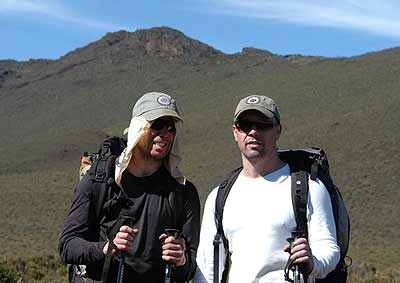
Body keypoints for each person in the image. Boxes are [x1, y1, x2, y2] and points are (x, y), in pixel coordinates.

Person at [193, 95, 340, 283]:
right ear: (235, 132)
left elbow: (329, 250)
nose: (253, 132)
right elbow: (207, 268)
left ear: (277, 130)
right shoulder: (219, 197)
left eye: (263, 125)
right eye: (245, 125)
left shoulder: (308, 188)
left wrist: (313, 263)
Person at [59, 92, 200, 283]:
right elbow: (67, 245)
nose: (165, 134)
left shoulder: (182, 191)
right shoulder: (99, 179)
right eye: (157, 125)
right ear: (138, 127)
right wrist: (106, 248)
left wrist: (181, 260)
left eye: (171, 128)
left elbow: (190, 269)